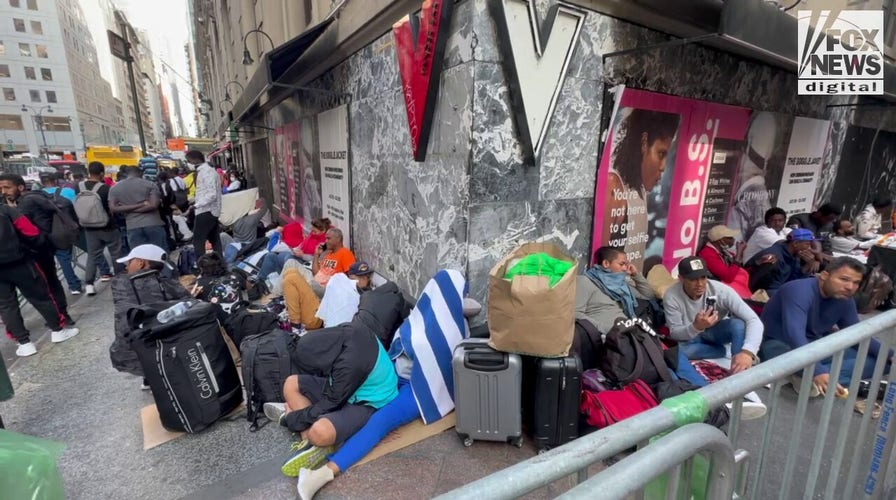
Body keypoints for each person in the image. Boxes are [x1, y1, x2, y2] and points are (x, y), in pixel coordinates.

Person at [294, 269, 469, 500]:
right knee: (354, 392)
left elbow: (440, 370)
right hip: (394, 374)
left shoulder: (455, 329)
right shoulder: (420, 316)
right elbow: (396, 345)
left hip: (418, 388)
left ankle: (322, 475)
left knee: (382, 419)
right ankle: (328, 429)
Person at [264, 324, 399, 478]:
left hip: (370, 402)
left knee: (320, 432)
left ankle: (315, 439)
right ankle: (311, 442)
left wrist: (291, 420)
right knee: (290, 384)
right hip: (346, 388)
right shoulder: (345, 332)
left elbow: (331, 403)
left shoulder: (349, 365)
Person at [575, 246, 707, 388]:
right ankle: (695, 392)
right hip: (616, 339)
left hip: (632, 333)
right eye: (622, 264)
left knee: (672, 355)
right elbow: (575, 313)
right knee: (662, 364)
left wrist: (636, 275)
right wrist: (607, 329)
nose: (626, 268)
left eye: (626, 264)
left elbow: (648, 295)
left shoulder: (620, 285)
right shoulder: (586, 282)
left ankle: (703, 391)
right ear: (606, 264)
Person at [759, 257, 890, 396]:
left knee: (884, 363)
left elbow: (857, 334)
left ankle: (809, 379)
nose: (850, 287)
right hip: (781, 344)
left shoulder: (844, 298)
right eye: (844, 279)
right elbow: (794, 334)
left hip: (816, 345)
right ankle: (816, 377)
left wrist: (890, 355)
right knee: (785, 354)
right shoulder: (799, 290)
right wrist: (817, 370)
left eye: (856, 282)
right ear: (824, 276)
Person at [604, 109, 680, 270]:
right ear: (644, 143)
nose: (663, 167)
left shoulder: (639, 190)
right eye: (661, 154)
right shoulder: (614, 187)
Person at [0, 203, 79, 357]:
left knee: (6, 306)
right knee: (41, 297)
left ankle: (24, 343)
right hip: (21, 262)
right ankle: (57, 330)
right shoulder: (5, 210)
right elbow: (31, 232)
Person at [664, 256, 763, 374]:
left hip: (715, 332)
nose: (700, 284)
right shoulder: (671, 296)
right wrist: (696, 327)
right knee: (676, 353)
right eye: (693, 279)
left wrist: (747, 352)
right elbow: (675, 333)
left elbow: (753, 320)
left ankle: (739, 369)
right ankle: (719, 351)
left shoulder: (720, 290)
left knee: (738, 324)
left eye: (703, 277)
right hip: (691, 338)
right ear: (681, 278)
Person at [110, 244, 190, 389]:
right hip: (173, 349)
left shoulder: (121, 284)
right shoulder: (168, 283)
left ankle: (150, 375)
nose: (127, 267)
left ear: (141, 262)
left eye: (129, 262)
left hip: (132, 354)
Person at [0, 173, 74, 322]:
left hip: (37, 251)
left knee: (47, 284)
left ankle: (59, 317)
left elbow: (31, 231)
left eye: (7, 187)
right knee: (51, 282)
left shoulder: (25, 203)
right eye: (1, 188)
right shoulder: (35, 197)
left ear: (20, 187)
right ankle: (61, 315)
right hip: (42, 249)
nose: (3, 192)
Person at [80, 162, 124, 296]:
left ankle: (89, 284)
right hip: (107, 226)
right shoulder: (105, 188)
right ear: (101, 173)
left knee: (93, 255)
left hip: (88, 227)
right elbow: (112, 208)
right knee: (116, 252)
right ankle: (120, 280)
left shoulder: (79, 187)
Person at [40, 172, 85, 294]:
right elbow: (77, 209)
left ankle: (71, 286)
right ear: (56, 181)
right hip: (68, 230)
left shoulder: (37, 196)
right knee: (89, 250)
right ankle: (96, 274)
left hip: (48, 233)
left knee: (59, 260)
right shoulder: (67, 192)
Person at [109, 166, 168, 250]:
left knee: (139, 257)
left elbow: (113, 209)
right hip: (153, 223)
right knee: (160, 254)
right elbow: (154, 205)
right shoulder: (150, 184)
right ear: (140, 173)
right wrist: (141, 205)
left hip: (132, 226)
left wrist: (130, 210)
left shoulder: (115, 188)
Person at [745, 229, 818, 295]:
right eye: (807, 244)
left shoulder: (794, 255)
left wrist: (807, 266)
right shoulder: (773, 257)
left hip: (779, 288)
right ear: (795, 243)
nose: (809, 248)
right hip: (762, 291)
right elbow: (758, 283)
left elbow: (793, 280)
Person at [697, 225, 753, 299]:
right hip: (721, 289)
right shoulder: (708, 254)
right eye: (729, 238)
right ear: (720, 240)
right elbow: (728, 277)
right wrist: (739, 253)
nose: (733, 240)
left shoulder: (722, 251)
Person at [186, 150, 222, 255]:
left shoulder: (207, 172)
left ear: (194, 160)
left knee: (198, 241)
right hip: (209, 211)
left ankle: (202, 266)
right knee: (214, 240)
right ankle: (219, 264)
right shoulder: (204, 172)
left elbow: (212, 194)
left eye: (188, 161)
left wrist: (196, 205)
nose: (187, 164)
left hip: (206, 211)